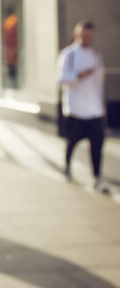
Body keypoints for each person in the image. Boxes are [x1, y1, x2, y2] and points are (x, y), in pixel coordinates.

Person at [57, 21, 108, 192]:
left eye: (90, 36)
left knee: (97, 146)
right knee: (72, 143)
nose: (87, 39)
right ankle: (67, 168)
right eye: (84, 36)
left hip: (95, 110)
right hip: (76, 110)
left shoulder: (96, 55)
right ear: (76, 34)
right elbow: (61, 80)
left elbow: (99, 84)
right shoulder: (68, 55)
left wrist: (102, 108)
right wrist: (79, 76)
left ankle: (97, 176)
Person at [3, 7, 19, 88]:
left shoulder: (9, 22)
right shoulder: (12, 21)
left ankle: (13, 83)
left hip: (10, 47)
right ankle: (13, 83)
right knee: (12, 66)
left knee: (11, 65)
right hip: (12, 47)